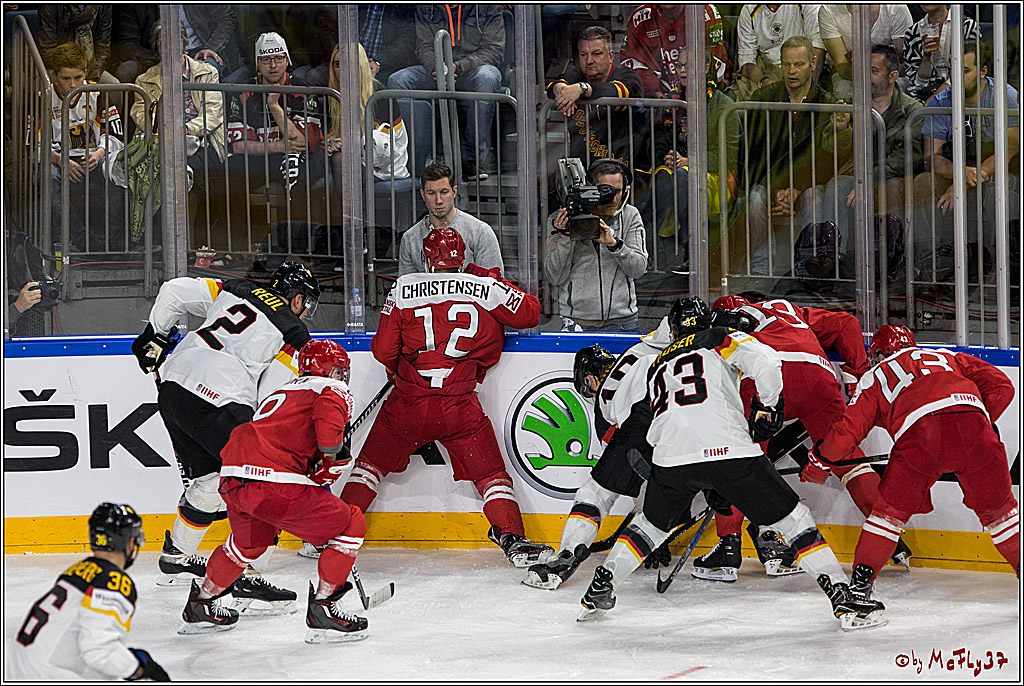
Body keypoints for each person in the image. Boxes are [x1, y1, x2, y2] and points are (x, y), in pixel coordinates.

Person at [577, 297, 887, 632]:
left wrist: (667, 471)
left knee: (649, 528)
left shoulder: (656, 364)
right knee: (794, 520)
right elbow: (767, 363)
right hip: (731, 452)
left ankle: (601, 585)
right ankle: (842, 597)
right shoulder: (720, 337)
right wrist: (769, 408)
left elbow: (648, 422)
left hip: (672, 459)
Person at [340, 227, 555, 568]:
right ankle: (513, 539)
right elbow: (530, 311)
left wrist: (399, 369)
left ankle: (334, 536)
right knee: (492, 476)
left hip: (408, 402)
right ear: (464, 255)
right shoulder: (483, 286)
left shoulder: (405, 287)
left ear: (426, 257)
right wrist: (486, 277)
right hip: (459, 405)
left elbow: (382, 351)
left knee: (368, 469)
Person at [131, 261, 320, 613]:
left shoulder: (235, 287)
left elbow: (173, 290)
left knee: (206, 482)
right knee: (267, 481)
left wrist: (155, 335)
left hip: (173, 387)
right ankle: (246, 572)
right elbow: (270, 398)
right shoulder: (294, 332)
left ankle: (177, 557)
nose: (305, 311)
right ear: (296, 299)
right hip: (220, 395)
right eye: (306, 303)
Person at [701, 294, 910, 582]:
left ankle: (728, 547)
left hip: (767, 375)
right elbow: (847, 323)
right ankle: (888, 533)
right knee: (848, 460)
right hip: (818, 376)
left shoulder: (725, 324)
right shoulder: (787, 308)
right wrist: (860, 373)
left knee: (740, 462)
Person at [179, 339, 370, 642]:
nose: (341, 375)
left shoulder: (282, 390)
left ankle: (201, 603)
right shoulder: (331, 389)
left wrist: (315, 464)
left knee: (248, 545)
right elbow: (328, 437)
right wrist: (331, 457)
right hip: (273, 482)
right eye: (339, 370)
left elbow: (279, 439)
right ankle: (324, 607)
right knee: (351, 523)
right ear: (331, 369)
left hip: (233, 477)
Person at [814, 325, 1018, 603]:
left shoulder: (875, 375)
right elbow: (1002, 386)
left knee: (887, 517)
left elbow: (845, 436)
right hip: (975, 428)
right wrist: (981, 420)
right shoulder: (948, 356)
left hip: (920, 436)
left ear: (879, 353)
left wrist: (820, 460)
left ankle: (859, 591)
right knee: (1002, 515)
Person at [523, 322, 674, 590]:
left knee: (593, 495)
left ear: (590, 378)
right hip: (692, 420)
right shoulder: (640, 350)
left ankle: (568, 555)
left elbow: (632, 472)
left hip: (644, 427)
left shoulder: (605, 404)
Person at [6, 503, 170, 681]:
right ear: (131, 542)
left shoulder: (75, 571)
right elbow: (99, 651)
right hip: (47, 676)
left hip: (17, 669)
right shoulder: (113, 581)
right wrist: (139, 669)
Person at [806, 44, 924, 273]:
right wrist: (840, 129)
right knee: (836, 186)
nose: (865, 77)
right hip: (857, 179)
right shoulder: (851, 103)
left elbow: (908, 157)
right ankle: (833, 257)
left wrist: (871, 179)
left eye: (873, 70)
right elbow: (829, 150)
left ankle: (886, 258)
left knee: (889, 187)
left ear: (893, 76)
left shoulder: (912, 110)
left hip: (892, 178)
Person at [911, 40, 1020, 285]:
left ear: (983, 71)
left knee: (1000, 191)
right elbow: (931, 158)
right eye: (953, 70)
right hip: (956, 171)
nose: (957, 77)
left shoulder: (1006, 96)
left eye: (966, 71)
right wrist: (960, 174)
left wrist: (967, 180)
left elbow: (1010, 149)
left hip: (997, 170)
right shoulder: (941, 102)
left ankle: (1004, 270)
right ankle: (930, 266)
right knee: (921, 183)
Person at [635, 48, 739, 271]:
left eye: (690, 66)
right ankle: (647, 250)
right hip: (679, 169)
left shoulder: (724, 105)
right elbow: (659, 140)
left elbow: (729, 156)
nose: (683, 71)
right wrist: (668, 156)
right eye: (681, 66)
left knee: (683, 176)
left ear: (706, 68)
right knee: (663, 176)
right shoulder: (673, 102)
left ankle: (691, 252)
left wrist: (692, 161)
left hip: (716, 175)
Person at [740, 35, 832, 276]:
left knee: (816, 197)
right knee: (754, 198)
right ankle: (761, 268)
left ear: (812, 64)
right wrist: (776, 189)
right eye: (786, 64)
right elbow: (753, 154)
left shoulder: (825, 102)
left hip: (806, 184)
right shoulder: (762, 99)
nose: (791, 71)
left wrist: (796, 189)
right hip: (771, 181)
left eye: (799, 64)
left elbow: (823, 159)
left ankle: (808, 266)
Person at [130, 21, 227, 249]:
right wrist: (164, 129)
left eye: (175, 40)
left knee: (199, 170)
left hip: (200, 139)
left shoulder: (206, 73)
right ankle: (160, 244)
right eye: (164, 41)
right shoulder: (145, 80)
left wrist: (186, 129)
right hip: (160, 141)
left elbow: (213, 114)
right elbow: (141, 114)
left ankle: (201, 246)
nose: (170, 46)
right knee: (157, 169)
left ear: (184, 42)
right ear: (157, 45)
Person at [222, 32, 327, 240]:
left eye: (278, 58)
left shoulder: (303, 90)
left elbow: (302, 143)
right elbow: (238, 146)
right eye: (266, 59)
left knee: (295, 168)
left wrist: (274, 106)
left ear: (287, 60)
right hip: (266, 156)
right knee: (227, 171)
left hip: (307, 157)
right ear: (257, 63)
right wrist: (280, 146)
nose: (273, 65)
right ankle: (242, 247)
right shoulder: (242, 92)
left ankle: (298, 244)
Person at [387, 4, 504, 181]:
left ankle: (471, 159)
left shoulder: (487, 6)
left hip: (472, 69)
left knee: (488, 77)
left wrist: (460, 67)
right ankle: (413, 160)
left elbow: (495, 49)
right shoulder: (428, 7)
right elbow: (423, 46)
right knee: (398, 80)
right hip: (437, 69)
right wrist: (436, 66)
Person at [544, 158, 648, 332]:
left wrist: (614, 245)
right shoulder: (560, 220)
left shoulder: (630, 216)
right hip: (576, 321)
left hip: (622, 321)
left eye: (619, 191)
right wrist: (565, 238)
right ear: (590, 187)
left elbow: (638, 269)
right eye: (606, 192)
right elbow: (554, 277)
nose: (614, 199)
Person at [46, 42, 126, 253]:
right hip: (60, 160)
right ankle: (83, 240)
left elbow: (116, 135)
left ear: (86, 73)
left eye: (78, 78)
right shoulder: (43, 97)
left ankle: (111, 242)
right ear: (55, 76)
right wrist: (59, 160)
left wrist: (99, 153)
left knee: (117, 169)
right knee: (47, 174)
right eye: (65, 79)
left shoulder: (98, 94)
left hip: (93, 158)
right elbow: (33, 146)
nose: (73, 85)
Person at [546, 26, 645, 167]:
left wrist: (583, 88)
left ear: (611, 56)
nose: (589, 61)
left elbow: (617, 91)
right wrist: (560, 89)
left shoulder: (628, 76)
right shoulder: (578, 75)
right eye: (583, 54)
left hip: (623, 167)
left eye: (596, 54)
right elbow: (554, 85)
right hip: (583, 167)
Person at [397, 162, 502, 276]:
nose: (438, 200)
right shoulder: (410, 238)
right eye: (431, 193)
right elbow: (406, 288)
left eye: (444, 192)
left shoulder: (480, 232)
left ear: (454, 192)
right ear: (423, 195)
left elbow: (494, 286)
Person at [620, 4, 732, 97]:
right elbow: (632, 64)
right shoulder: (640, 17)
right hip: (658, 100)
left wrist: (686, 92)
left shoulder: (706, 12)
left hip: (702, 95)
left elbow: (715, 63)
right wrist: (655, 92)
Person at [817, 4, 913, 100]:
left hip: (890, 75)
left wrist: (879, 77)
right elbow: (842, 66)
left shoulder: (897, 8)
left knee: (899, 87)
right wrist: (868, 77)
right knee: (843, 88)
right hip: (851, 76)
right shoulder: (828, 10)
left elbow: (902, 63)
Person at [732, 4, 826, 101]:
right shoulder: (748, 9)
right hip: (766, 69)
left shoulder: (808, 5)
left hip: (801, 68)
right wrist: (765, 81)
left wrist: (810, 90)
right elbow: (746, 60)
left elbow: (818, 47)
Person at [901, 4, 980, 102]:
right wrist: (926, 58)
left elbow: (969, 71)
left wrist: (934, 101)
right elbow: (917, 84)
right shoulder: (912, 33)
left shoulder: (966, 26)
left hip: (960, 90)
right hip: (924, 94)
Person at [38, 5, 116, 83]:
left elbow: (103, 48)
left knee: (114, 85)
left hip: (91, 69)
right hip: (60, 68)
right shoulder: (50, 6)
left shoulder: (104, 5)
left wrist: (93, 76)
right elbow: (47, 50)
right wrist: (73, 72)